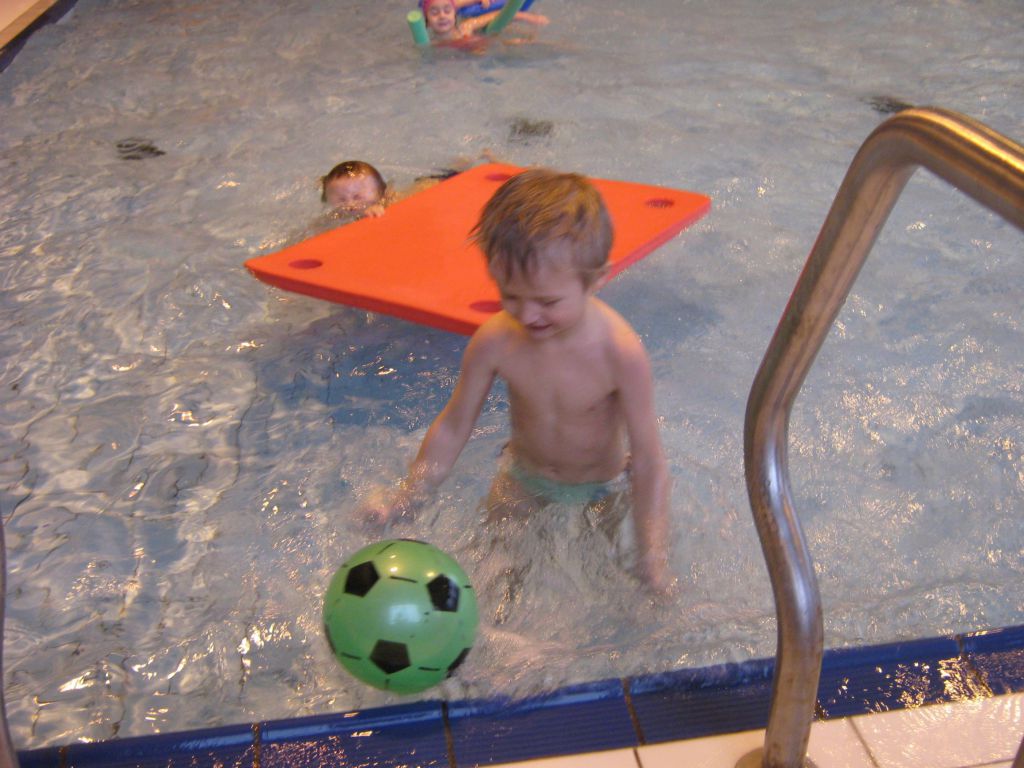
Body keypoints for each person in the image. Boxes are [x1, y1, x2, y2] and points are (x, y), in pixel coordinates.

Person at [362, 169, 673, 592]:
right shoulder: (496, 341)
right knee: (494, 577)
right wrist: (409, 495)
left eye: (547, 301)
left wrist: (653, 556)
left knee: (614, 580)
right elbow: (454, 426)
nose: (527, 315)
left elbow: (649, 460)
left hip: (601, 488)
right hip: (524, 480)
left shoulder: (619, 353)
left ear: (597, 278)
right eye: (510, 295)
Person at [421, 0, 548, 45]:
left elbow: (498, 15)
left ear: (455, 15)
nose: (442, 16)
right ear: (427, 21)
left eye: (447, 11)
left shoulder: (466, 27)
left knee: (521, 42)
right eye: (434, 13)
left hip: (496, 44)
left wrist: (527, 17)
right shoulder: (431, 43)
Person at [321, 160, 388, 219]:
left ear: (380, 193)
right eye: (341, 200)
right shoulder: (333, 217)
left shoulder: (386, 203)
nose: (350, 204)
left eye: (358, 197)